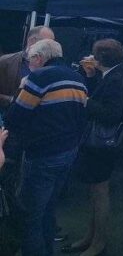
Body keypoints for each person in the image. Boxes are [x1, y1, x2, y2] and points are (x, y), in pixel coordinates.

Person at [6, 39, 87, 256]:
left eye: (30, 59)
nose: (28, 63)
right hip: (68, 151)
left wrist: (22, 89)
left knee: (30, 213)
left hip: (42, 153)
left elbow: (15, 117)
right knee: (49, 208)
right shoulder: (78, 78)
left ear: (39, 58)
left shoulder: (38, 77)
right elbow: (81, 119)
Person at [64, 39, 123, 256]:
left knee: (100, 192)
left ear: (101, 58)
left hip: (104, 144)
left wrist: (84, 100)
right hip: (101, 144)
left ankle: (98, 242)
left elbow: (111, 114)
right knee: (94, 191)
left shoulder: (116, 79)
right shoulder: (112, 74)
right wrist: (91, 78)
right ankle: (91, 236)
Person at [0, 25, 54, 112]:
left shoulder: (52, 66)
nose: (51, 47)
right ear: (32, 41)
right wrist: (13, 100)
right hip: (9, 117)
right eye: (48, 43)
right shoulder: (6, 62)